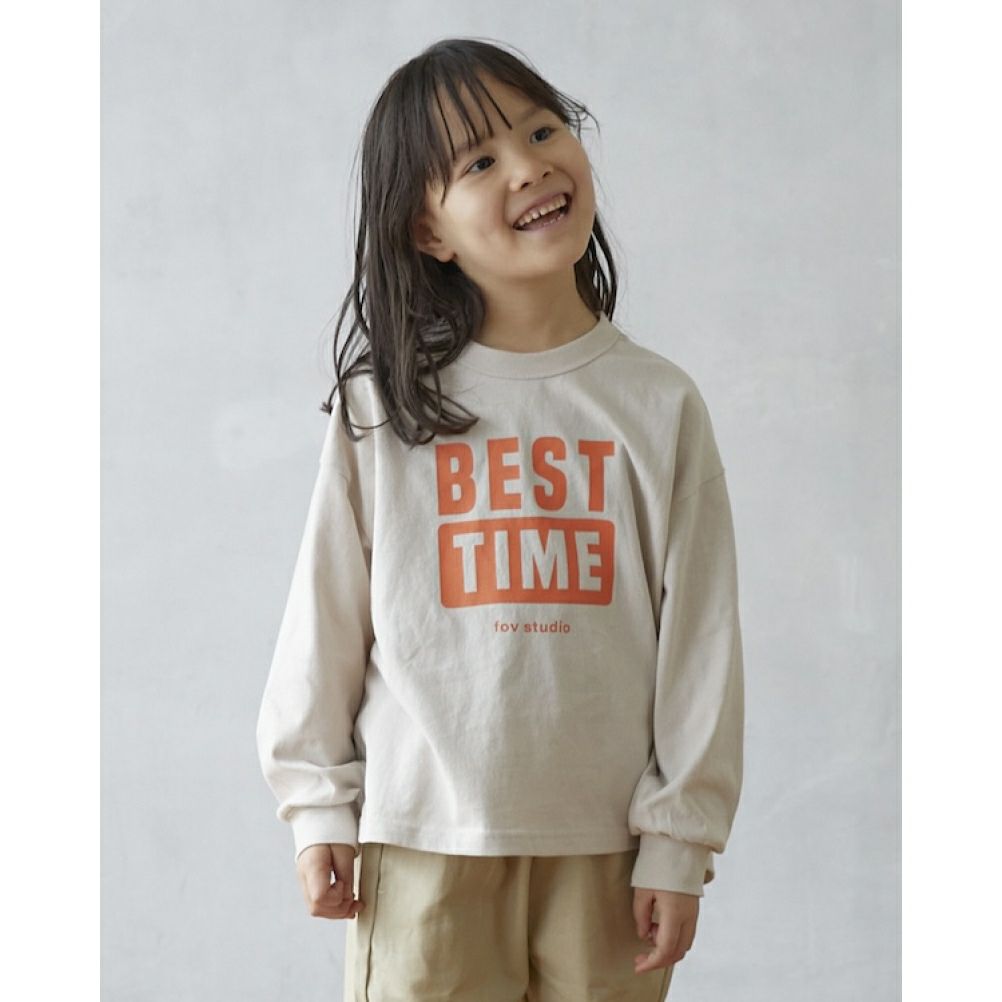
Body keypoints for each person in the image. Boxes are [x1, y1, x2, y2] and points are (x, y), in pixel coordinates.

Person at [256, 36, 745, 1002]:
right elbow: (327, 615)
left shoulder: (658, 404)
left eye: (541, 130)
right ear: (427, 229)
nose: (527, 166)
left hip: (608, 851)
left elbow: (701, 640)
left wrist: (679, 840)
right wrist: (316, 807)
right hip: (422, 838)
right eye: (479, 161)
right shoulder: (384, 408)